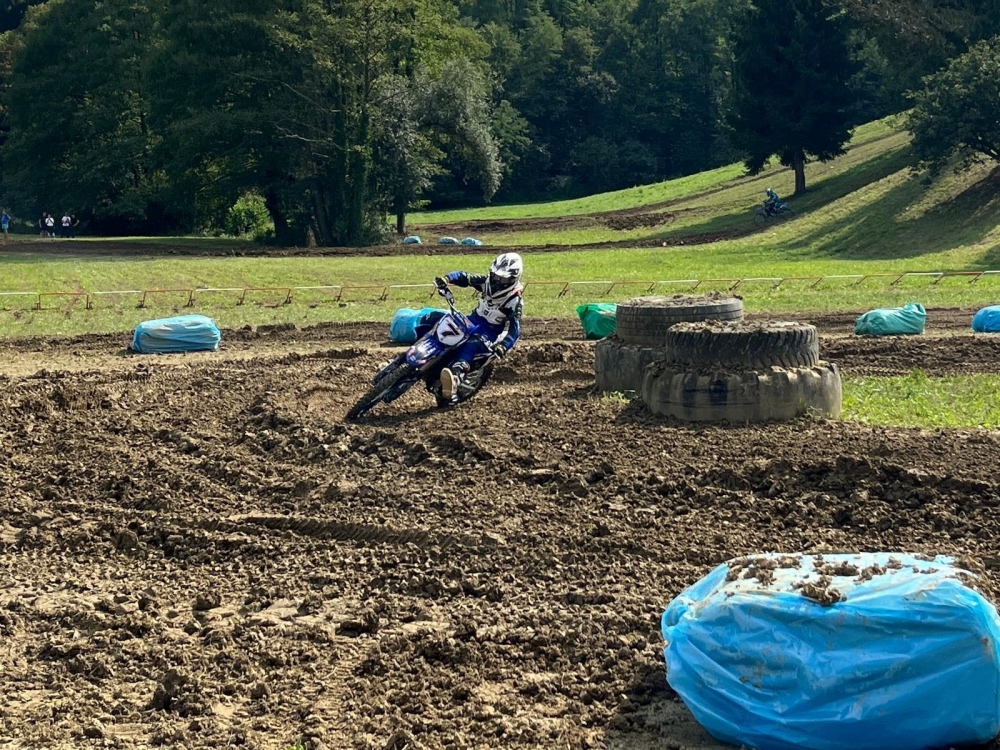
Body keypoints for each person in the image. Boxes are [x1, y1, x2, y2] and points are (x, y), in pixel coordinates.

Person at [435, 252, 524, 403]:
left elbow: (515, 329)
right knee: (441, 322)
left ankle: (455, 377)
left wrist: (504, 346)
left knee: (472, 345)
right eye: (495, 275)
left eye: (502, 279)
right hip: (471, 321)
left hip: (489, 332)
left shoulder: (514, 300)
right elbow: (466, 277)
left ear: (512, 279)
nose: (497, 281)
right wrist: (448, 278)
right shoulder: (486, 282)